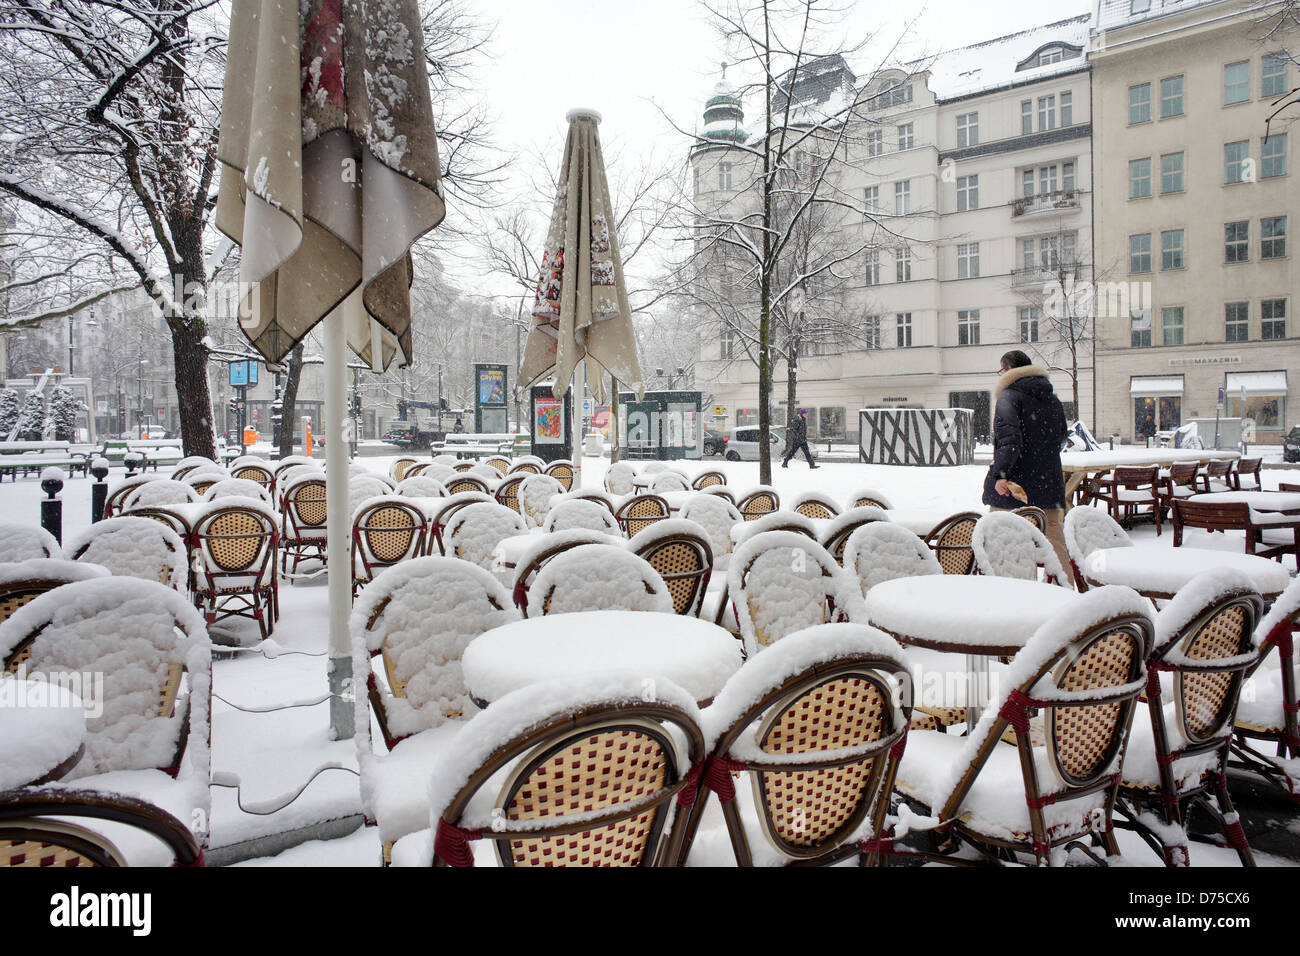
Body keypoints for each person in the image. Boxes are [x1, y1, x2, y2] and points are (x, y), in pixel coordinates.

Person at [983, 350, 1073, 584]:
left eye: (1001, 369)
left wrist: (1001, 475)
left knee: (1004, 539)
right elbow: (1062, 437)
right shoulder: (1051, 398)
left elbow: (1008, 441)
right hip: (1049, 482)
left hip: (1017, 485)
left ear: (1009, 369)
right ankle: (1064, 590)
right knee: (1054, 538)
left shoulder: (1008, 396)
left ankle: (1014, 594)